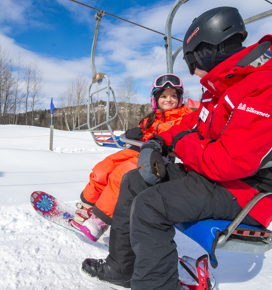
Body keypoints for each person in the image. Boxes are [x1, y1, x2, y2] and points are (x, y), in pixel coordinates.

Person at [81, 6, 272, 290]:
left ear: (207, 50)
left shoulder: (268, 89)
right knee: (133, 181)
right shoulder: (227, 90)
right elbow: (192, 123)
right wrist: (160, 142)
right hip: (217, 179)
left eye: (191, 61)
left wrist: (178, 145)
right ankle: (122, 267)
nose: (194, 72)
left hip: (248, 190)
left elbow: (228, 162)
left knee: (151, 206)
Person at [71, 74, 192, 242]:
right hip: (138, 151)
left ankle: (100, 220)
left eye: (173, 96)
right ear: (155, 99)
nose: (168, 99)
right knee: (103, 168)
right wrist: (131, 134)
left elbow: (186, 138)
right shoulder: (152, 117)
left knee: (121, 174)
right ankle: (86, 208)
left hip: (157, 158)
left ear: (179, 98)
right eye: (163, 96)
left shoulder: (184, 118)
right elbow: (137, 134)